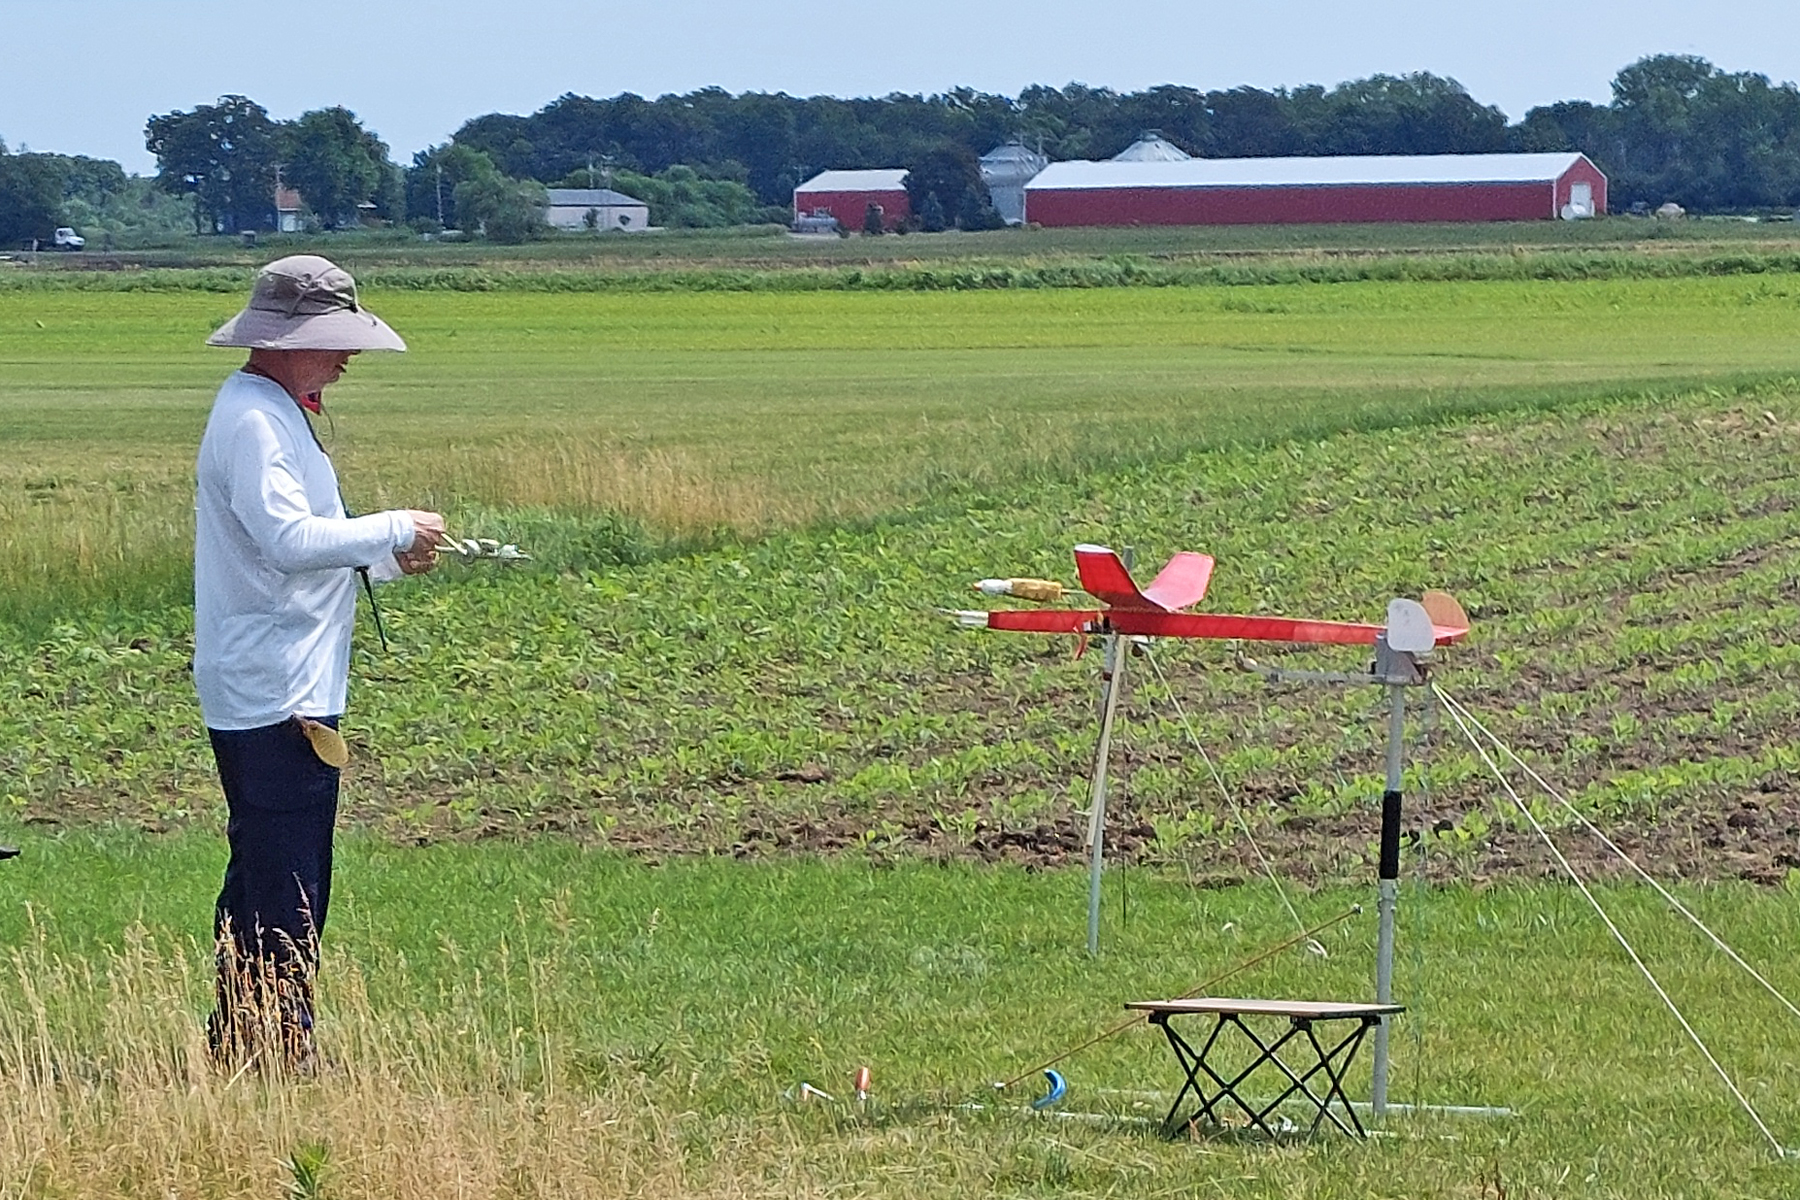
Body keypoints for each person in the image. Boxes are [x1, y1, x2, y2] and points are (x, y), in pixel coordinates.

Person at [194, 255, 445, 1068]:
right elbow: (286, 540)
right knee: (288, 880)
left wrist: (383, 559)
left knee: (267, 871)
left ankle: (246, 1039)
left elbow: (293, 551)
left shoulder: (267, 411)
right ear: (288, 340)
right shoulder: (256, 421)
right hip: (276, 691)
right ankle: (277, 1046)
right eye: (336, 341)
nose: (348, 358)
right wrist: (394, 527)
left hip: (277, 680)